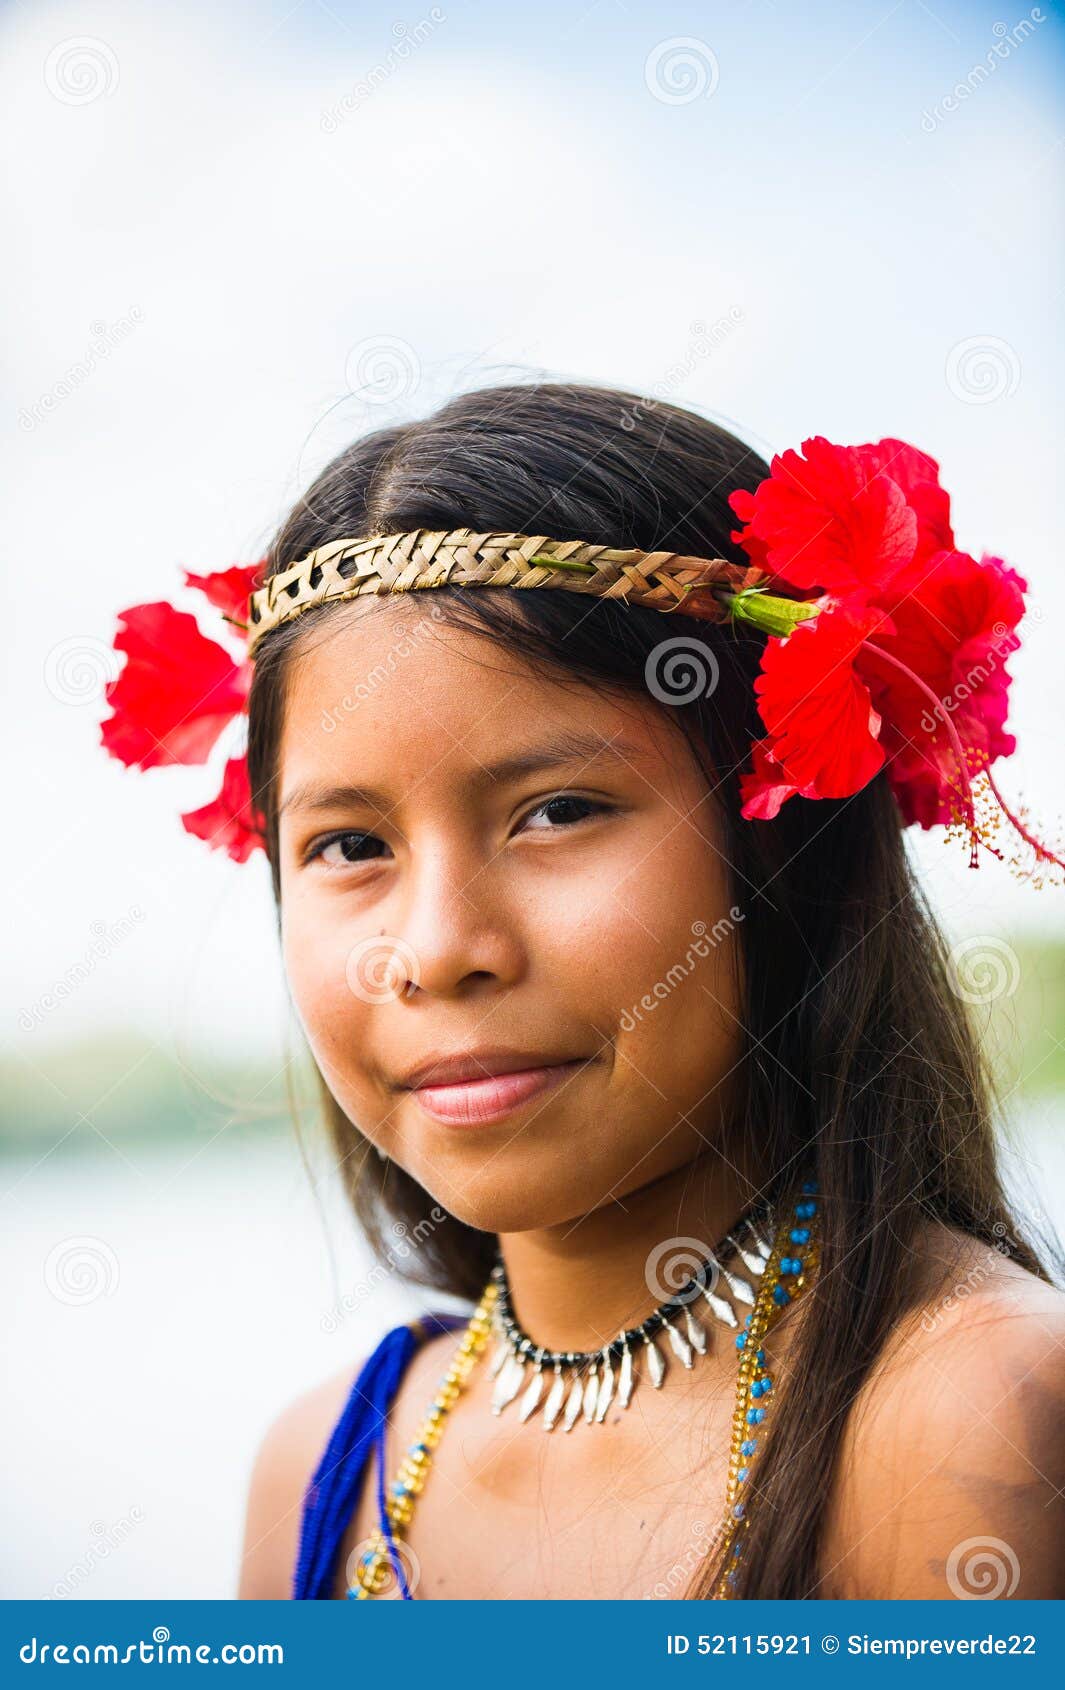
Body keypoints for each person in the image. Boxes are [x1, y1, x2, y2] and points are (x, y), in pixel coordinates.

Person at [100, 382, 1065, 1600]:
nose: (440, 948)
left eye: (558, 811)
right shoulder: (318, 1475)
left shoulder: (969, 1418)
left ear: (782, 844)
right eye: (350, 845)